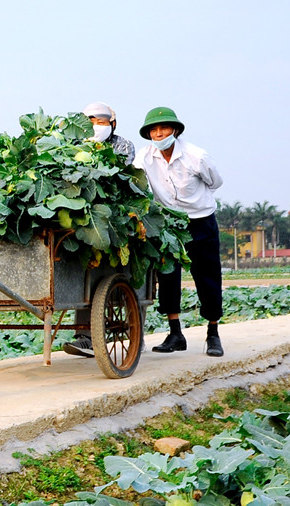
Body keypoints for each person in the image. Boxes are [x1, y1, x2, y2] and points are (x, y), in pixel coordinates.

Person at [134, 106, 225, 357]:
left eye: (164, 128)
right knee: (168, 275)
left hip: (200, 221)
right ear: (149, 134)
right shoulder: (144, 157)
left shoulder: (196, 156)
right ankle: (175, 333)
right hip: (168, 224)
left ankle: (213, 334)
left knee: (207, 276)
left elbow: (215, 182)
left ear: (175, 130)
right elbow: (136, 183)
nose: (159, 133)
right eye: (154, 130)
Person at [63, 102, 136, 358]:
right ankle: (84, 337)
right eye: (91, 121)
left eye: (102, 121)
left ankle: (132, 330)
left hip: (114, 211)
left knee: (110, 272)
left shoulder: (123, 145)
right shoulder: (72, 146)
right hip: (83, 212)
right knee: (87, 271)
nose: (96, 126)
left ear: (112, 124)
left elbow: (118, 171)